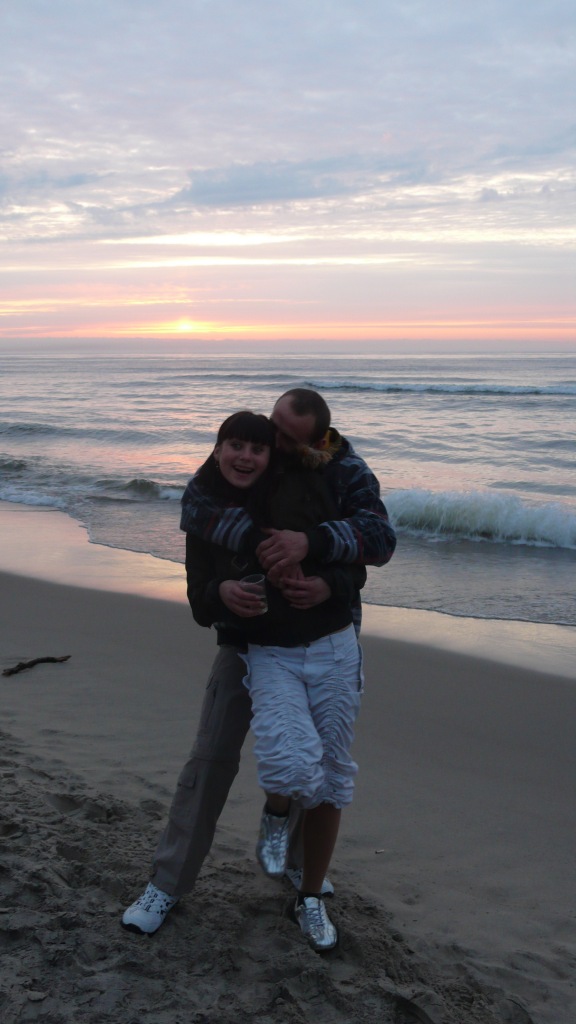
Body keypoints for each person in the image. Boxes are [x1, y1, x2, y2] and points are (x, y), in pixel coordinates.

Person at [122, 389, 396, 945]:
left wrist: (326, 576)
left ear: (314, 442)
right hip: (246, 643)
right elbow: (199, 573)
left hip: (322, 636)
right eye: (268, 430)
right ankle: (167, 883)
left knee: (314, 759)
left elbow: (374, 545)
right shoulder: (222, 481)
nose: (266, 445)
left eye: (282, 439)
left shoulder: (336, 474)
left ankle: (297, 865)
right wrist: (223, 592)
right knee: (211, 757)